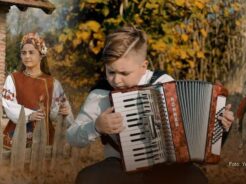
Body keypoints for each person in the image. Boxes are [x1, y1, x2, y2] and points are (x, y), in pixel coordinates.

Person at [66, 26, 234, 184]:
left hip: (166, 166)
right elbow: (72, 136)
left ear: (143, 66)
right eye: (110, 72)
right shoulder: (100, 95)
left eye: (124, 73)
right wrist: (96, 127)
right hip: (121, 166)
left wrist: (220, 124)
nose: (116, 80)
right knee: (88, 179)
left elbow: (191, 129)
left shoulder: (164, 83)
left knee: (194, 178)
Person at [2, 32, 73, 149]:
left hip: (45, 138)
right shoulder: (13, 78)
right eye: (23, 53)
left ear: (41, 55)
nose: (27, 56)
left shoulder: (53, 83)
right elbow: (8, 105)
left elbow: (56, 111)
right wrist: (29, 115)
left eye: (31, 52)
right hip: (16, 137)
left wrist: (61, 112)